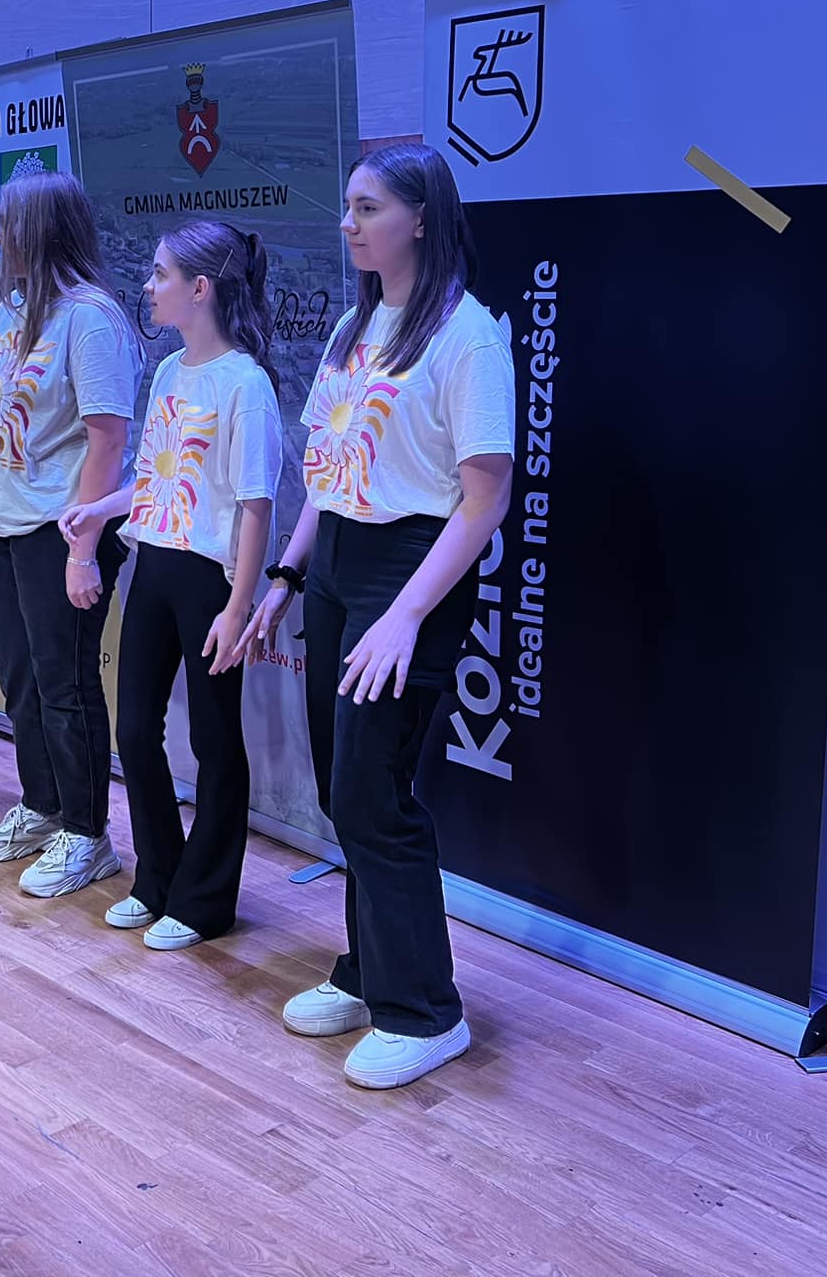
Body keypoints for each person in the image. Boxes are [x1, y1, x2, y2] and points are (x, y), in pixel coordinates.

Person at [243, 143, 514, 1090]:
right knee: (341, 784)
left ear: (421, 217)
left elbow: (484, 499)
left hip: (412, 570)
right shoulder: (353, 329)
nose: (348, 223)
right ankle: (371, 971)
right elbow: (328, 473)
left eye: (368, 208)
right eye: (348, 207)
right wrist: (287, 574)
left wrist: (404, 615)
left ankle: (426, 1011)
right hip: (338, 566)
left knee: (374, 791)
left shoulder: (467, 337)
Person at [59, 221, 280, 949]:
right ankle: (157, 878)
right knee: (134, 729)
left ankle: (206, 900)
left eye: (160, 274)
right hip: (152, 561)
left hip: (210, 576)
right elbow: (158, 479)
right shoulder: (166, 373)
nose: (148, 287)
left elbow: (255, 507)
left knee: (215, 739)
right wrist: (101, 508)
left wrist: (240, 604)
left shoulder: (245, 383)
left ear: (200, 288)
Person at [0, 170, 140, 895]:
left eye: (7, 223)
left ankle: (86, 833)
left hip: (62, 527)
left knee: (65, 683)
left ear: (38, 231)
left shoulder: (90, 318)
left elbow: (108, 439)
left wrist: (81, 548)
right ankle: (41, 806)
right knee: (19, 677)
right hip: (5, 523)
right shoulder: (9, 312)